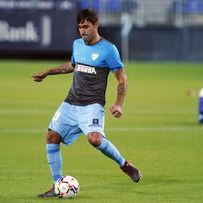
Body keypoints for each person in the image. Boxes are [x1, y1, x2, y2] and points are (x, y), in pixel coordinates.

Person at [32, 9, 141, 198]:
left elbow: (122, 78)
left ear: (95, 25)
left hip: (92, 104)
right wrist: (48, 72)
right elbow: (72, 66)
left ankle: (124, 165)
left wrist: (118, 104)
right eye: (80, 27)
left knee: (95, 139)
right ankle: (58, 185)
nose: (82, 31)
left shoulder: (108, 49)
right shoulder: (77, 44)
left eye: (86, 27)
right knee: (51, 137)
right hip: (71, 102)